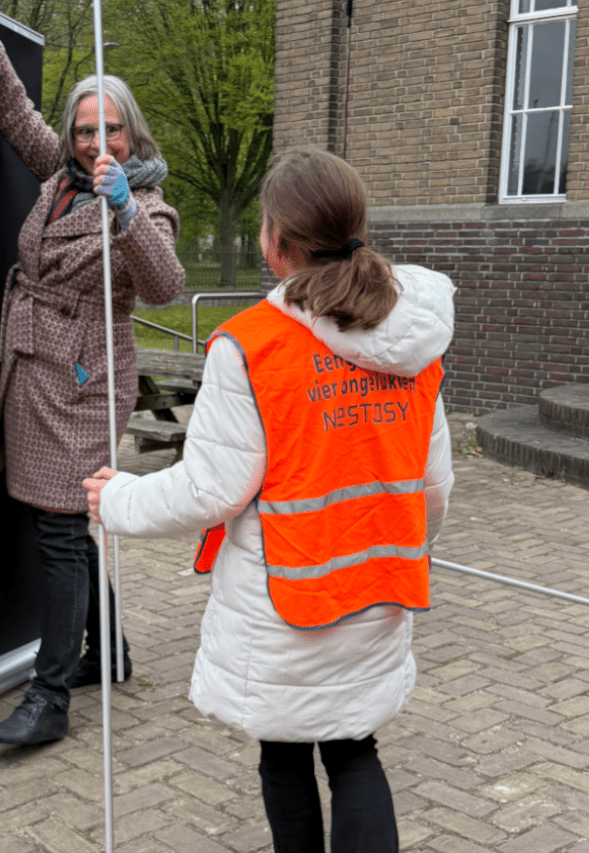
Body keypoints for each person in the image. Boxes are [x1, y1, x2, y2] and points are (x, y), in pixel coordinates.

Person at [83, 147, 455, 852]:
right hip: (378, 590)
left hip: (289, 603)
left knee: (284, 754)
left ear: (275, 242)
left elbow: (211, 489)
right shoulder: (416, 344)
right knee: (354, 751)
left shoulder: (251, 346)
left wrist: (121, 498)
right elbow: (433, 486)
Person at [0, 0, 185, 745]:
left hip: (83, 385)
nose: (95, 144)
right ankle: (106, 651)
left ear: (133, 136)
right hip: (30, 372)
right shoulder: (58, 176)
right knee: (66, 530)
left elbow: (167, 288)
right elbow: (14, 110)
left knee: (57, 533)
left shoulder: (146, 206)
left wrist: (123, 210)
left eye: (110, 131)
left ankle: (51, 700)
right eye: (85, 130)